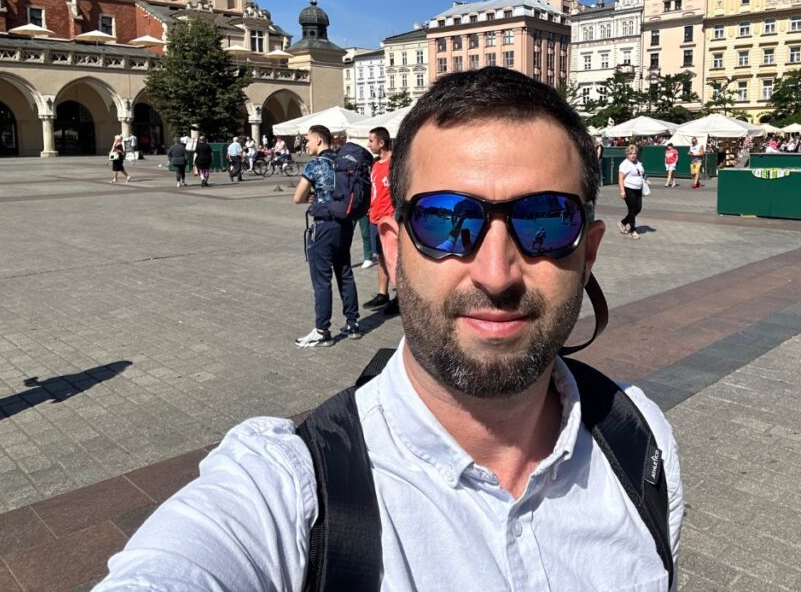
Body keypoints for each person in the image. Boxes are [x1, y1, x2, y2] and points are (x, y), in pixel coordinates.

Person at [94, 66, 684, 591]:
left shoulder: (639, 441)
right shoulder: (294, 490)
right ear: (394, 252)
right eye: (447, 221)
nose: (497, 273)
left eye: (546, 221)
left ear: (589, 252)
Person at [293, 126, 362, 346]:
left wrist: (314, 196)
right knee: (344, 271)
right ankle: (352, 323)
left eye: (308, 140)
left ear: (319, 141)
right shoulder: (345, 163)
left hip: (324, 227)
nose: (306, 145)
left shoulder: (316, 165)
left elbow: (298, 197)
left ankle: (323, 330)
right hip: (346, 223)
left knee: (322, 279)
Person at [361, 127, 398, 315]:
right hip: (374, 218)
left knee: (395, 259)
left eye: (371, 141)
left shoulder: (395, 164)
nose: (368, 144)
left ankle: (400, 297)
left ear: (381, 143)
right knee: (381, 257)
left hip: (389, 220)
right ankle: (382, 294)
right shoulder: (375, 164)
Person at [618, 143, 646, 239]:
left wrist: (646, 179)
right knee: (632, 209)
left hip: (638, 189)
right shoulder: (624, 164)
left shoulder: (638, 163)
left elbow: (642, 173)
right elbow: (621, 178)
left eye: (634, 153)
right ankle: (633, 230)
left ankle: (623, 222)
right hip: (629, 189)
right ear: (627, 154)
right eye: (630, 153)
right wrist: (622, 191)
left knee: (638, 208)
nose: (633, 155)